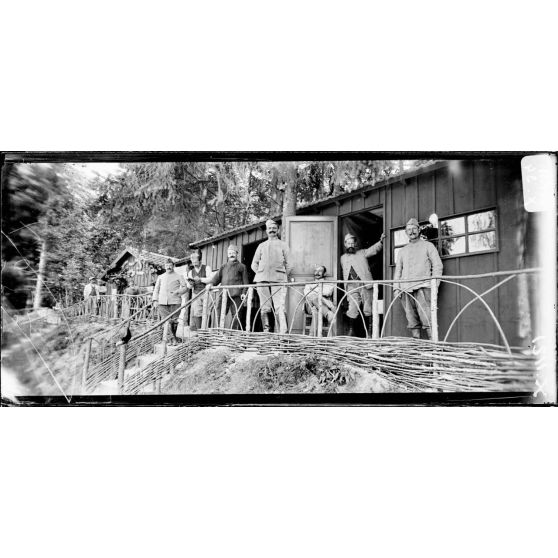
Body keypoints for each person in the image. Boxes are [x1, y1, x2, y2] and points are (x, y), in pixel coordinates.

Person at [394, 217, 443, 339]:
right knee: (412, 322)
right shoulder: (402, 251)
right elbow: (398, 271)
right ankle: (416, 349)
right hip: (406, 290)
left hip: (424, 288)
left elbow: (437, 265)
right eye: (409, 230)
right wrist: (396, 288)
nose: (411, 232)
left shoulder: (428, 246)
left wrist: (434, 285)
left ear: (419, 230)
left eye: (414, 229)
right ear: (406, 232)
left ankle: (434, 347)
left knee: (428, 320)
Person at [251, 219, 293, 333]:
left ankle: (283, 333)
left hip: (278, 280)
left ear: (278, 230)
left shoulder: (283, 245)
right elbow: (253, 264)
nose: (272, 230)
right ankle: (267, 333)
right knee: (265, 307)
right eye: (269, 228)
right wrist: (260, 273)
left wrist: (283, 274)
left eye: (274, 228)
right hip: (262, 280)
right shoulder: (261, 246)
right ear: (266, 231)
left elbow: (290, 264)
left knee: (279, 306)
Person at [340, 232, 385, 336]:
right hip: (351, 285)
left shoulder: (362, 253)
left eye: (352, 243)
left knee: (368, 308)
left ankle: (369, 332)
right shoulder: (342, 258)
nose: (350, 245)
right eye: (348, 243)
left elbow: (373, 250)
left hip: (365, 283)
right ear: (345, 244)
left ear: (355, 244)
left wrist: (381, 241)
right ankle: (351, 331)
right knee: (352, 308)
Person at [207, 244, 249, 330]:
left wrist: (244, 293)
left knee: (236, 315)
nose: (231, 254)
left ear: (237, 254)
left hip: (236, 295)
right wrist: (210, 284)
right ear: (227, 255)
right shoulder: (223, 267)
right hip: (224, 294)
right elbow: (216, 279)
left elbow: (246, 282)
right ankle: (219, 332)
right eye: (229, 253)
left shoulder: (242, 267)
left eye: (233, 253)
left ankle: (232, 334)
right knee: (219, 313)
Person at [152, 259, 187, 345]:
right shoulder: (161, 277)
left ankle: (172, 339)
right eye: (167, 265)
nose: (169, 267)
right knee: (166, 321)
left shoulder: (179, 276)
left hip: (175, 302)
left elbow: (185, 287)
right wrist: (155, 300)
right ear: (165, 266)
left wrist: (178, 291)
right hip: (162, 303)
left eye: (170, 265)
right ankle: (173, 338)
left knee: (174, 321)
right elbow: (156, 289)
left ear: (173, 266)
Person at [303, 265, 336, 336]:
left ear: (324, 274)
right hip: (309, 306)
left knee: (316, 311)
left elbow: (328, 292)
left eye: (320, 271)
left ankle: (312, 337)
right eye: (315, 271)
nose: (317, 273)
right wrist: (321, 295)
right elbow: (307, 294)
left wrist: (313, 290)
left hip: (319, 307)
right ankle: (328, 314)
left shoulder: (329, 284)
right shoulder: (309, 283)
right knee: (314, 298)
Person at [186, 249, 213, 330]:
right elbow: (188, 286)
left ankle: (206, 331)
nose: (194, 263)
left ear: (199, 259)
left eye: (195, 260)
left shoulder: (206, 268)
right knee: (197, 313)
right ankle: (199, 331)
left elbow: (210, 279)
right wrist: (190, 284)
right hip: (196, 293)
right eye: (192, 261)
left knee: (207, 312)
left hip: (206, 292)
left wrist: (200, 279)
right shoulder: (191, 272)